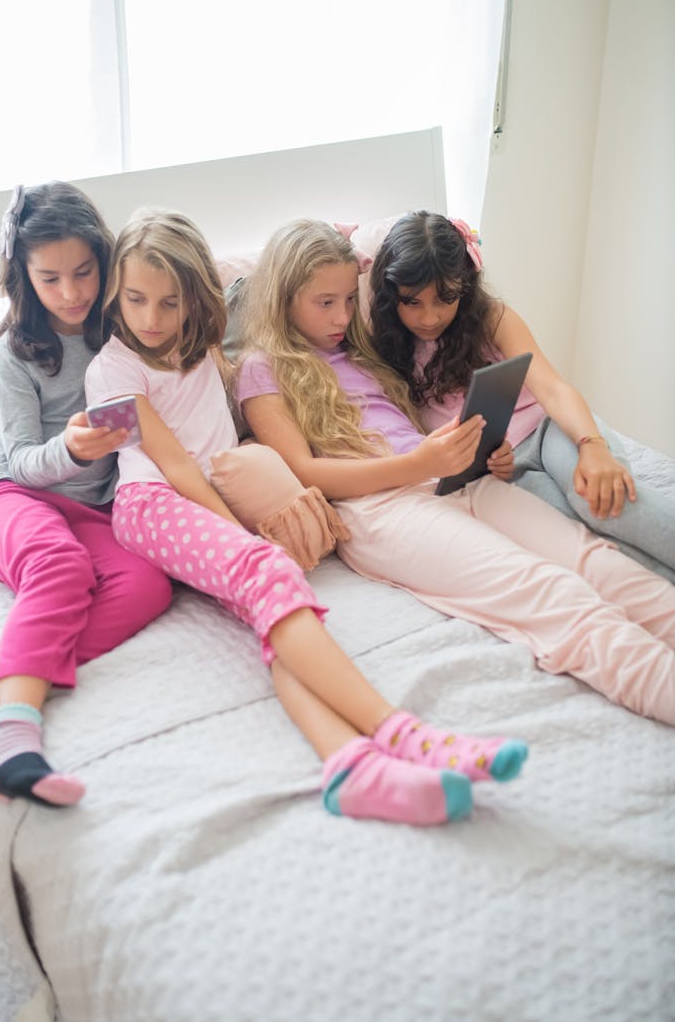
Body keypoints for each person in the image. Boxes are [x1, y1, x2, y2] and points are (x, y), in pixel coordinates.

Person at [84, 207, 529, 829]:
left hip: (208, 495)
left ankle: (350, 765)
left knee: (274, 601)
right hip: (154, 502)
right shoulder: (109, 369)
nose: (152, 318)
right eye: (135, 299)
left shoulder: (204, 351)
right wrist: (242, 537)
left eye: (170, 302)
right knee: (267, 574)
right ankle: (404, 736)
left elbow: (257, 323)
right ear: (115, 294)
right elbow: (174, 466)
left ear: (195, 301)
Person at [235, 218, 675, 726]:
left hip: (449, 476)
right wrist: (418, 463)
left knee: (594, 561)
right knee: (551, 594)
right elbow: (304, 472)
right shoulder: (260, 365)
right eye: (325, 302)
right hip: (380, 506)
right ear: (284, 296)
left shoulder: (362, 348)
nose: (342, 315)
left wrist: (452, 459)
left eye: (349, 299)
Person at [0, 182, 173, 807]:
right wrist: (69, 449)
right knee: (61, 565)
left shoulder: (124, 330)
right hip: (11, 496)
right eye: (50, 279)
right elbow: (19, 461)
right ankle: (17, 740)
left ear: (105, 261)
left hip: (92, 507)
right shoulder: (16, 353)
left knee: (149, 585)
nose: (71, 294)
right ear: (25, 278)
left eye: (84, 273)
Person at [367, 210, 674, 583]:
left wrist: (593, 445)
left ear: (464, 288)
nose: (429, 317)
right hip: (502, 471)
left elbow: (551, 387)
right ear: (390, 295)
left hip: (550, 430)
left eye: (445, 299)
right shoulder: (384, 351)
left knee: (598, 502)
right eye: (413, 302)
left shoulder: (491, 317)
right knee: (585, 541)